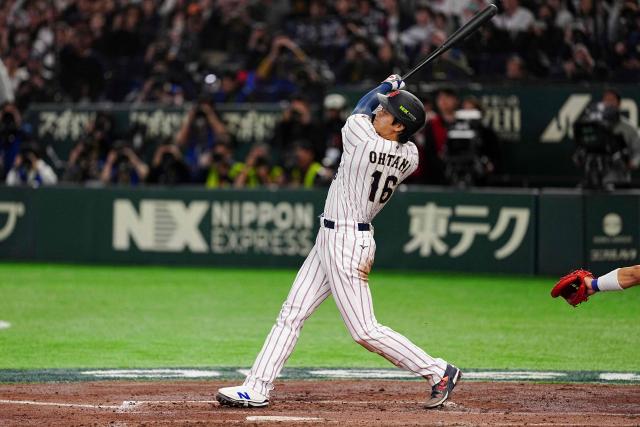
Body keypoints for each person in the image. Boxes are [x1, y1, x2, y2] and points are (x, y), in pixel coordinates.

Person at [216, 74, 461, 409]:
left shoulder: (363, 139)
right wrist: (393, 95)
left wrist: (385, 86)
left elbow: (361, 106)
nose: (378, 112)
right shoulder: (411, 156)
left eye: (387, 112)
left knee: (364, 330)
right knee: (292, 313)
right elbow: (375, 116)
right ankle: (257, 387)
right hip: (337, 237)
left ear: (400, 126)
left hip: (346, 241)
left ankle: (438, 371)